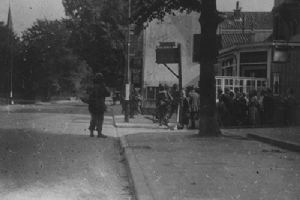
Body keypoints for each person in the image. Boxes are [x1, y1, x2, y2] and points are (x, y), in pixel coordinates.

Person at [88, 73, 110, 138]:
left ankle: (91, 132)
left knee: (93, 118)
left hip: (92, 105)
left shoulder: (92, 86)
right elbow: (108, 94)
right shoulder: (102, 86)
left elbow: (88, 94)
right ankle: (99, 133)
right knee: (100, 119)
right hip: (100, 105)